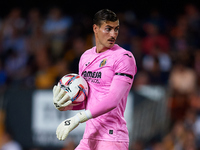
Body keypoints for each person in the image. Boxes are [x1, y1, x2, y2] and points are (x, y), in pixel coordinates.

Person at [53, 9, 137, 150]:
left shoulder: (124, 58)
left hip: (112, 138)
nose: (113, 34)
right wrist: (65, 105)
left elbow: (112, 100)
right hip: (89, 137)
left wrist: (77, 118)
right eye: (108, 29)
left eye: (116, 29)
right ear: (95, 28)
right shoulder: (86, 57)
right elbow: (87, 100)